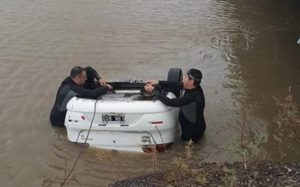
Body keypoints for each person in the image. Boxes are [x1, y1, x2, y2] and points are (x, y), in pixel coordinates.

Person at [144, 68, 206, 143]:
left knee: (187, 151)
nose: (183, 77)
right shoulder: (194, 87)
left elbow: (171, 102)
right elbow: (176, 85)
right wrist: (158, 82)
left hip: (191, 135)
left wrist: (154, 91)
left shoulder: (193, 97)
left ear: (191, 82)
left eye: (185, 77)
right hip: (197, 125)